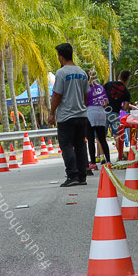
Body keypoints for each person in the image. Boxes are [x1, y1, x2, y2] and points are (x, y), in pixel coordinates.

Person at [48, 43, 90, 187]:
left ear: (61, 57)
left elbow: (57, 95)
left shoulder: (61, 73)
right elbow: (85, 95)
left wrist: (52, 113)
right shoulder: (82, 72)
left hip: (66, 116)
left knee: (66, 145)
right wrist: (82, 107)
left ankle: (72, 175)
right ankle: (82, 175)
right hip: (81, 115)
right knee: (80, 145)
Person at [85, 69, 110, 168]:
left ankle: (93, 163)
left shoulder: (86, 88)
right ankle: (108, 161)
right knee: (102, 139)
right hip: (101, 112)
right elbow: (105, 103)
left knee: (91, 139)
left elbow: (84, 102)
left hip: (90, 113)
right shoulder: (101, 87)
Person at [103, 70, 132, 150]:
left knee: (102, 135)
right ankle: (120, 156)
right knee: (116, 135)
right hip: (115, 113)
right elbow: (125, 107)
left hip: (104, 112)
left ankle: (102, 156)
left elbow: (100, 96)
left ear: (119, 76)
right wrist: (119, 106)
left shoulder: (108, 84)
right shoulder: (126, 91)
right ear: (127, 79)